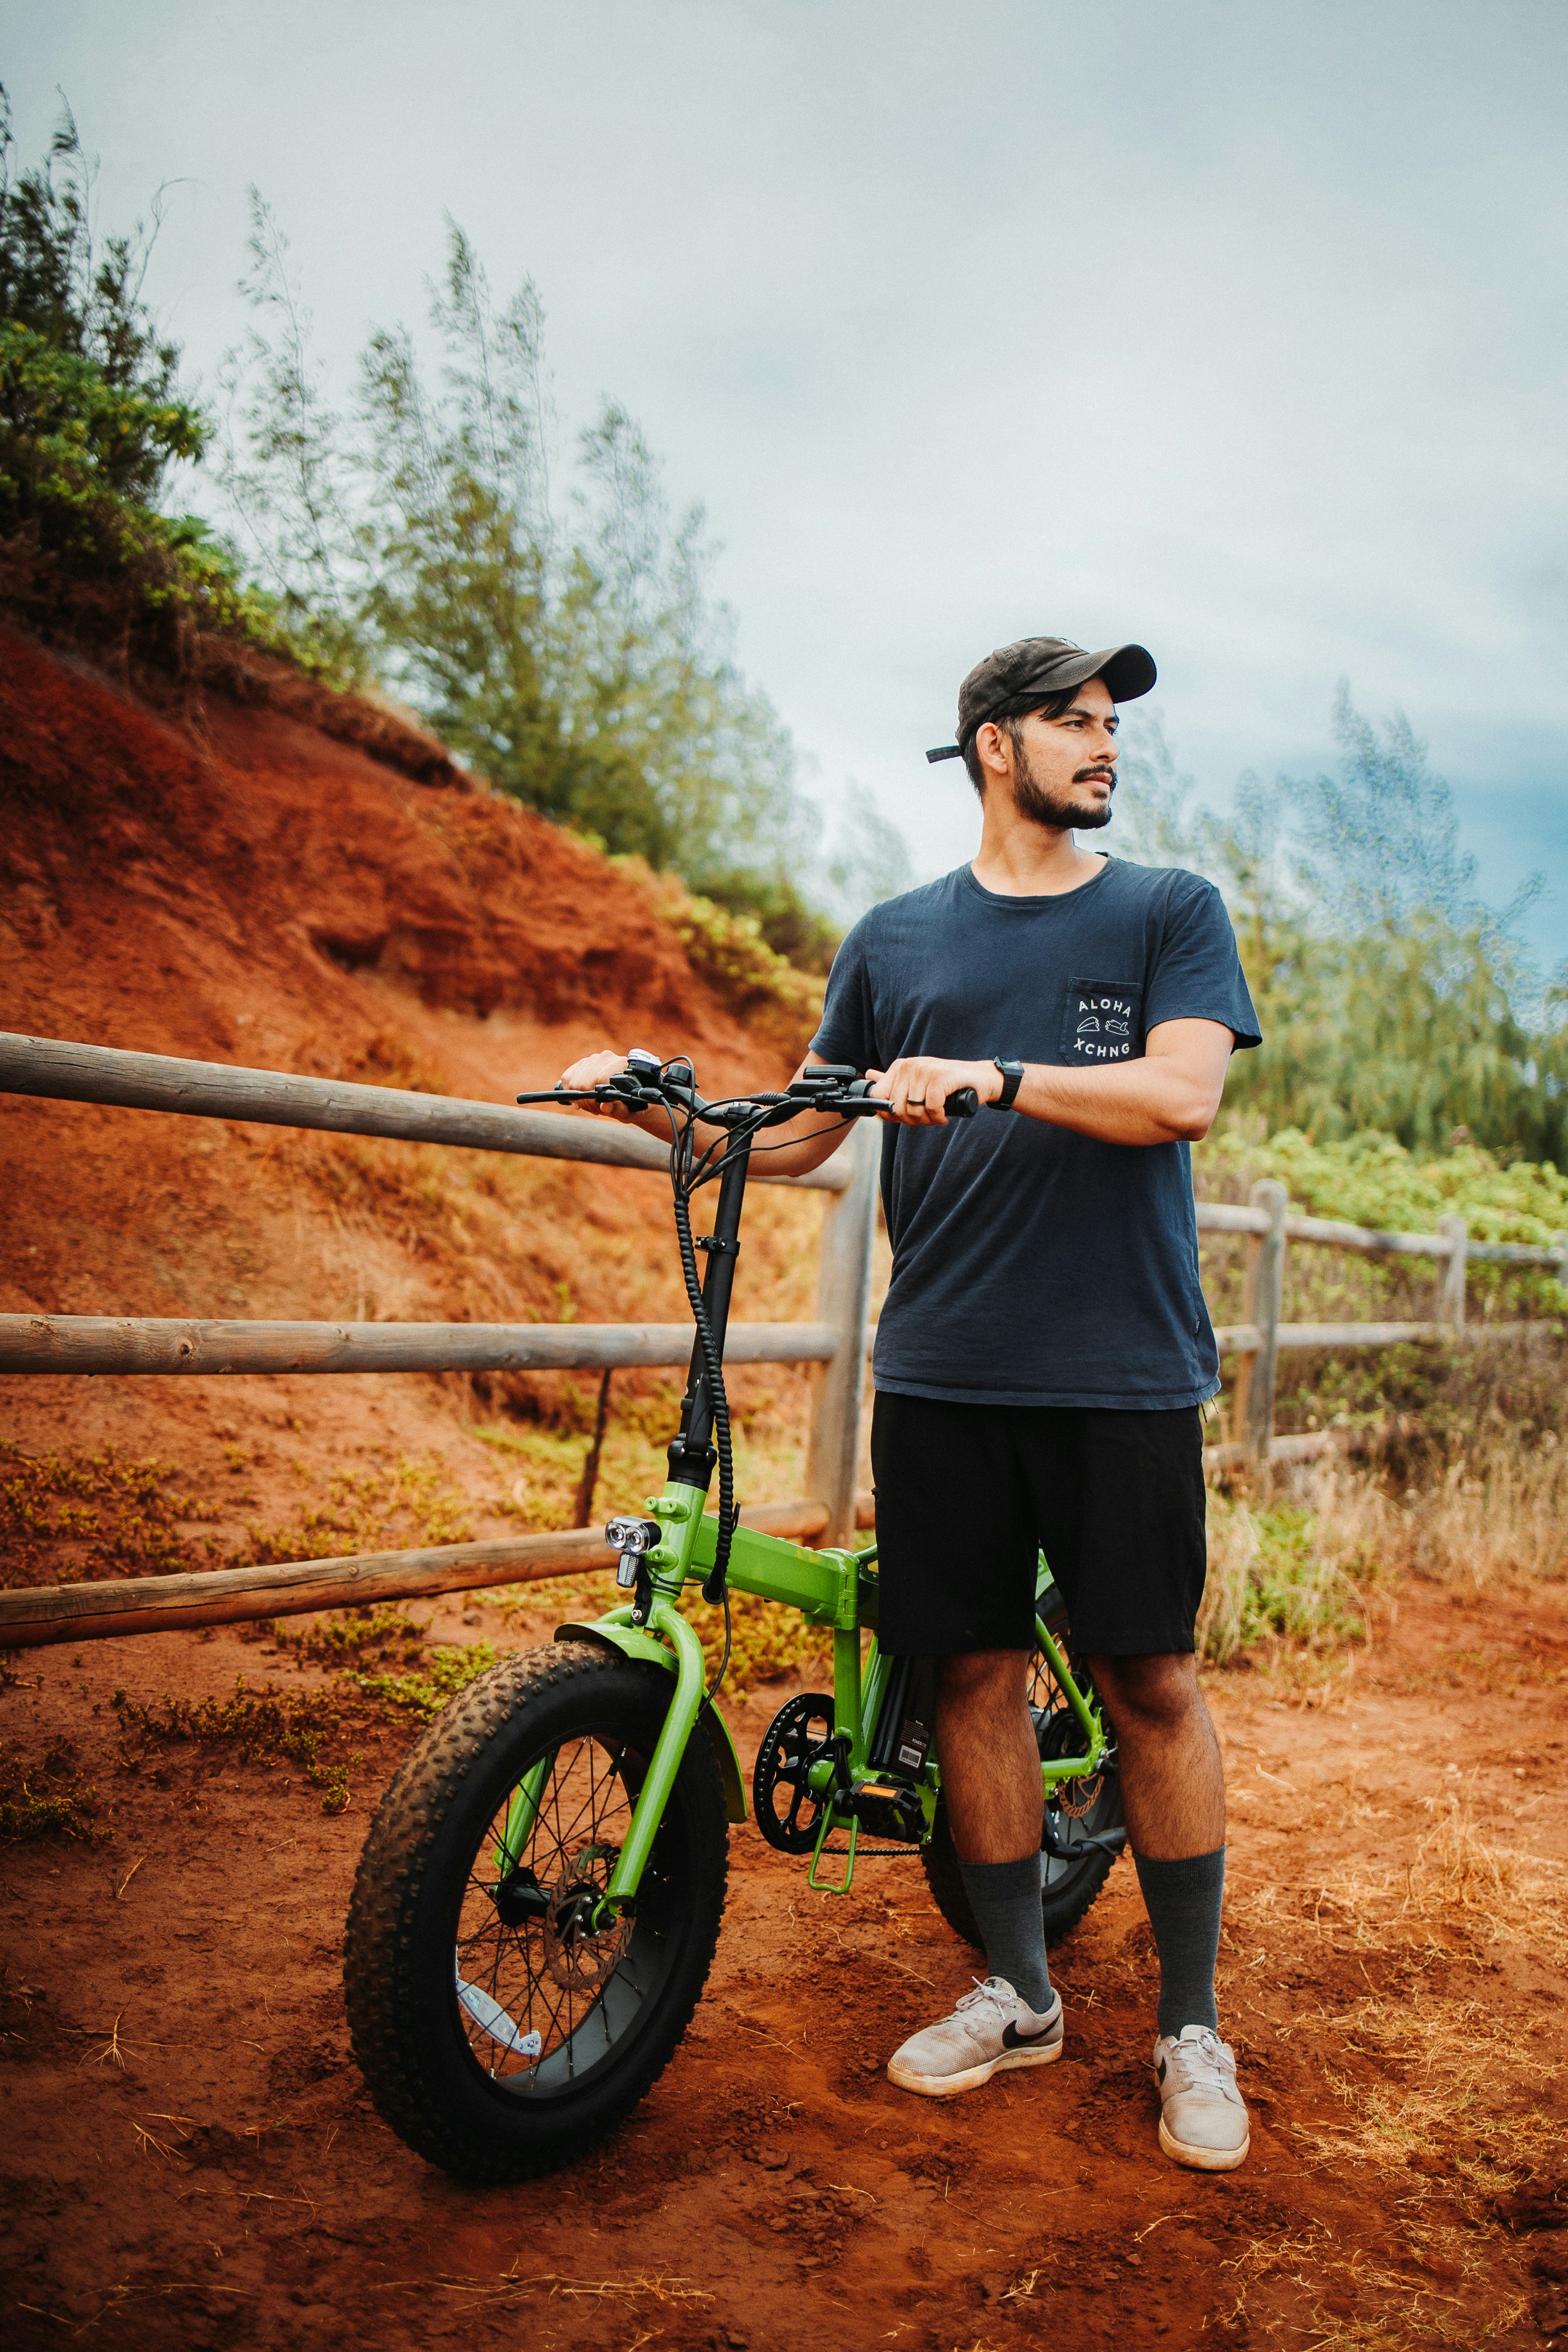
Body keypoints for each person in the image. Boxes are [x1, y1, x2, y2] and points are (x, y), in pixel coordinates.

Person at [559, 634, 1260, 2173]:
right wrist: (663, 1104)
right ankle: (1018, 1989)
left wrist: (994, 1078)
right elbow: (806, 1135)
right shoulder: (892, 939)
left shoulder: (1166, 912)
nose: (1104, 744)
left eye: (1111, 723)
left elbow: (1183, 1095)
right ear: (993, 746)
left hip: (1121, 1371)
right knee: (971, 1681)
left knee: (1147, 1683)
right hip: (941, 1373)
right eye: (1072, 720)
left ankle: (1191, 2025)